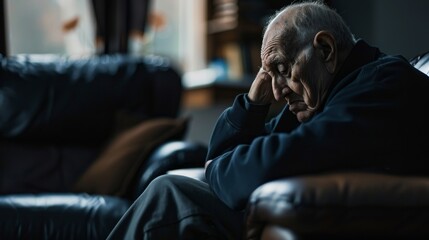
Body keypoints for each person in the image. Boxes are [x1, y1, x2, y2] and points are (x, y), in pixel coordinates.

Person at [107, 1, 429, 239]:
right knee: (170, 189)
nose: (277, 91)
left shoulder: (385, 83)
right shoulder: (319, 95)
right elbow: (223, 158)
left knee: (169, 192)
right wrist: (252, 101)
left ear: (326, 50)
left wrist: (221, 166)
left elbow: (266, 164)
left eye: (281, 69)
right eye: (268, 75)